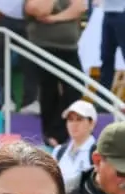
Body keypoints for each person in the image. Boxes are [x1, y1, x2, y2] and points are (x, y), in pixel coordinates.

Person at [26, 0, 88, 147]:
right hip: (44, 46)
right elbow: (40, 10)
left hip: (69, 47)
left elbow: (79, 8)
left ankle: (58, 133)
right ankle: (50, 135)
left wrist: (55, 18)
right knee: (49, 90)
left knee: (76, 88)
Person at [52, 99, 97, 192]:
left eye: (79, 119)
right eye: (70, 120)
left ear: (91, 123)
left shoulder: (97, 152)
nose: (74, 124)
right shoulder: (58, 151)